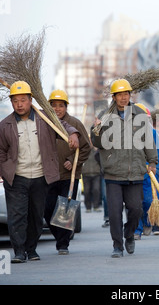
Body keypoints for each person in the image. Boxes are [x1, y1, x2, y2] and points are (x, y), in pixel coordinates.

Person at [0, 81, 79, 263]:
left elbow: (65, 127)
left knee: (36, 215)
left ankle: (31, 249)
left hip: (40, 176)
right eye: (15, 101)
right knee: (17, 216)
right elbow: (1, 150)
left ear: (30, 100)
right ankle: (19, 251)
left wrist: (73, 135)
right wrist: (4, 169)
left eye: (23, 100)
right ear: (11, 103)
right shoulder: (5, 125)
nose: (19, 104)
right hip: (16, 177)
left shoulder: (46, 119)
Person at [91, 79, 158, 258]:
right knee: (114, 213)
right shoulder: (105, 116)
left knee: (136, 209)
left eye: (126, 94)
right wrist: (96, 129)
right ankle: (117, 246)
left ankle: (129, 235)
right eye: (119, 95)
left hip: (135, 171)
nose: (123, 97)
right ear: (113, 97)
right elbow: (98, 144)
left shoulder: (140, 115)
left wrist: (152, 162)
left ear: (130, 95)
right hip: (113, 172)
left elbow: (148, 141)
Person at [44, 89, 91, 255]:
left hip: (69, 175)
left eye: (61, 106)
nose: (57, 109)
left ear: (66, 107)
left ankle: (63, 244)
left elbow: (87, 147)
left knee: (65, 209)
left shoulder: (75, 124)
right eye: (54, 106)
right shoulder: (45, 122)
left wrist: (72, 160)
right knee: (48, 209)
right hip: (49, 174)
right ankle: (60, 235)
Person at [133, 103, 159, 240]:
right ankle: (137, 230)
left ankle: (148, 221)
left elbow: (157, 155)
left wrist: (157, 170)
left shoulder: (153, 133)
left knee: (148, 201)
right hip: (133, 174)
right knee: (134, 203)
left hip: (149, 174)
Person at [82, 141, 102, 212]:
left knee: (96, 190)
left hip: (96, 173)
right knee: (86, 191)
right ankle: (88, 207)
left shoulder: (96, 151)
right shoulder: (84, 151)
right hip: (86, 173)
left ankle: (96, 206)